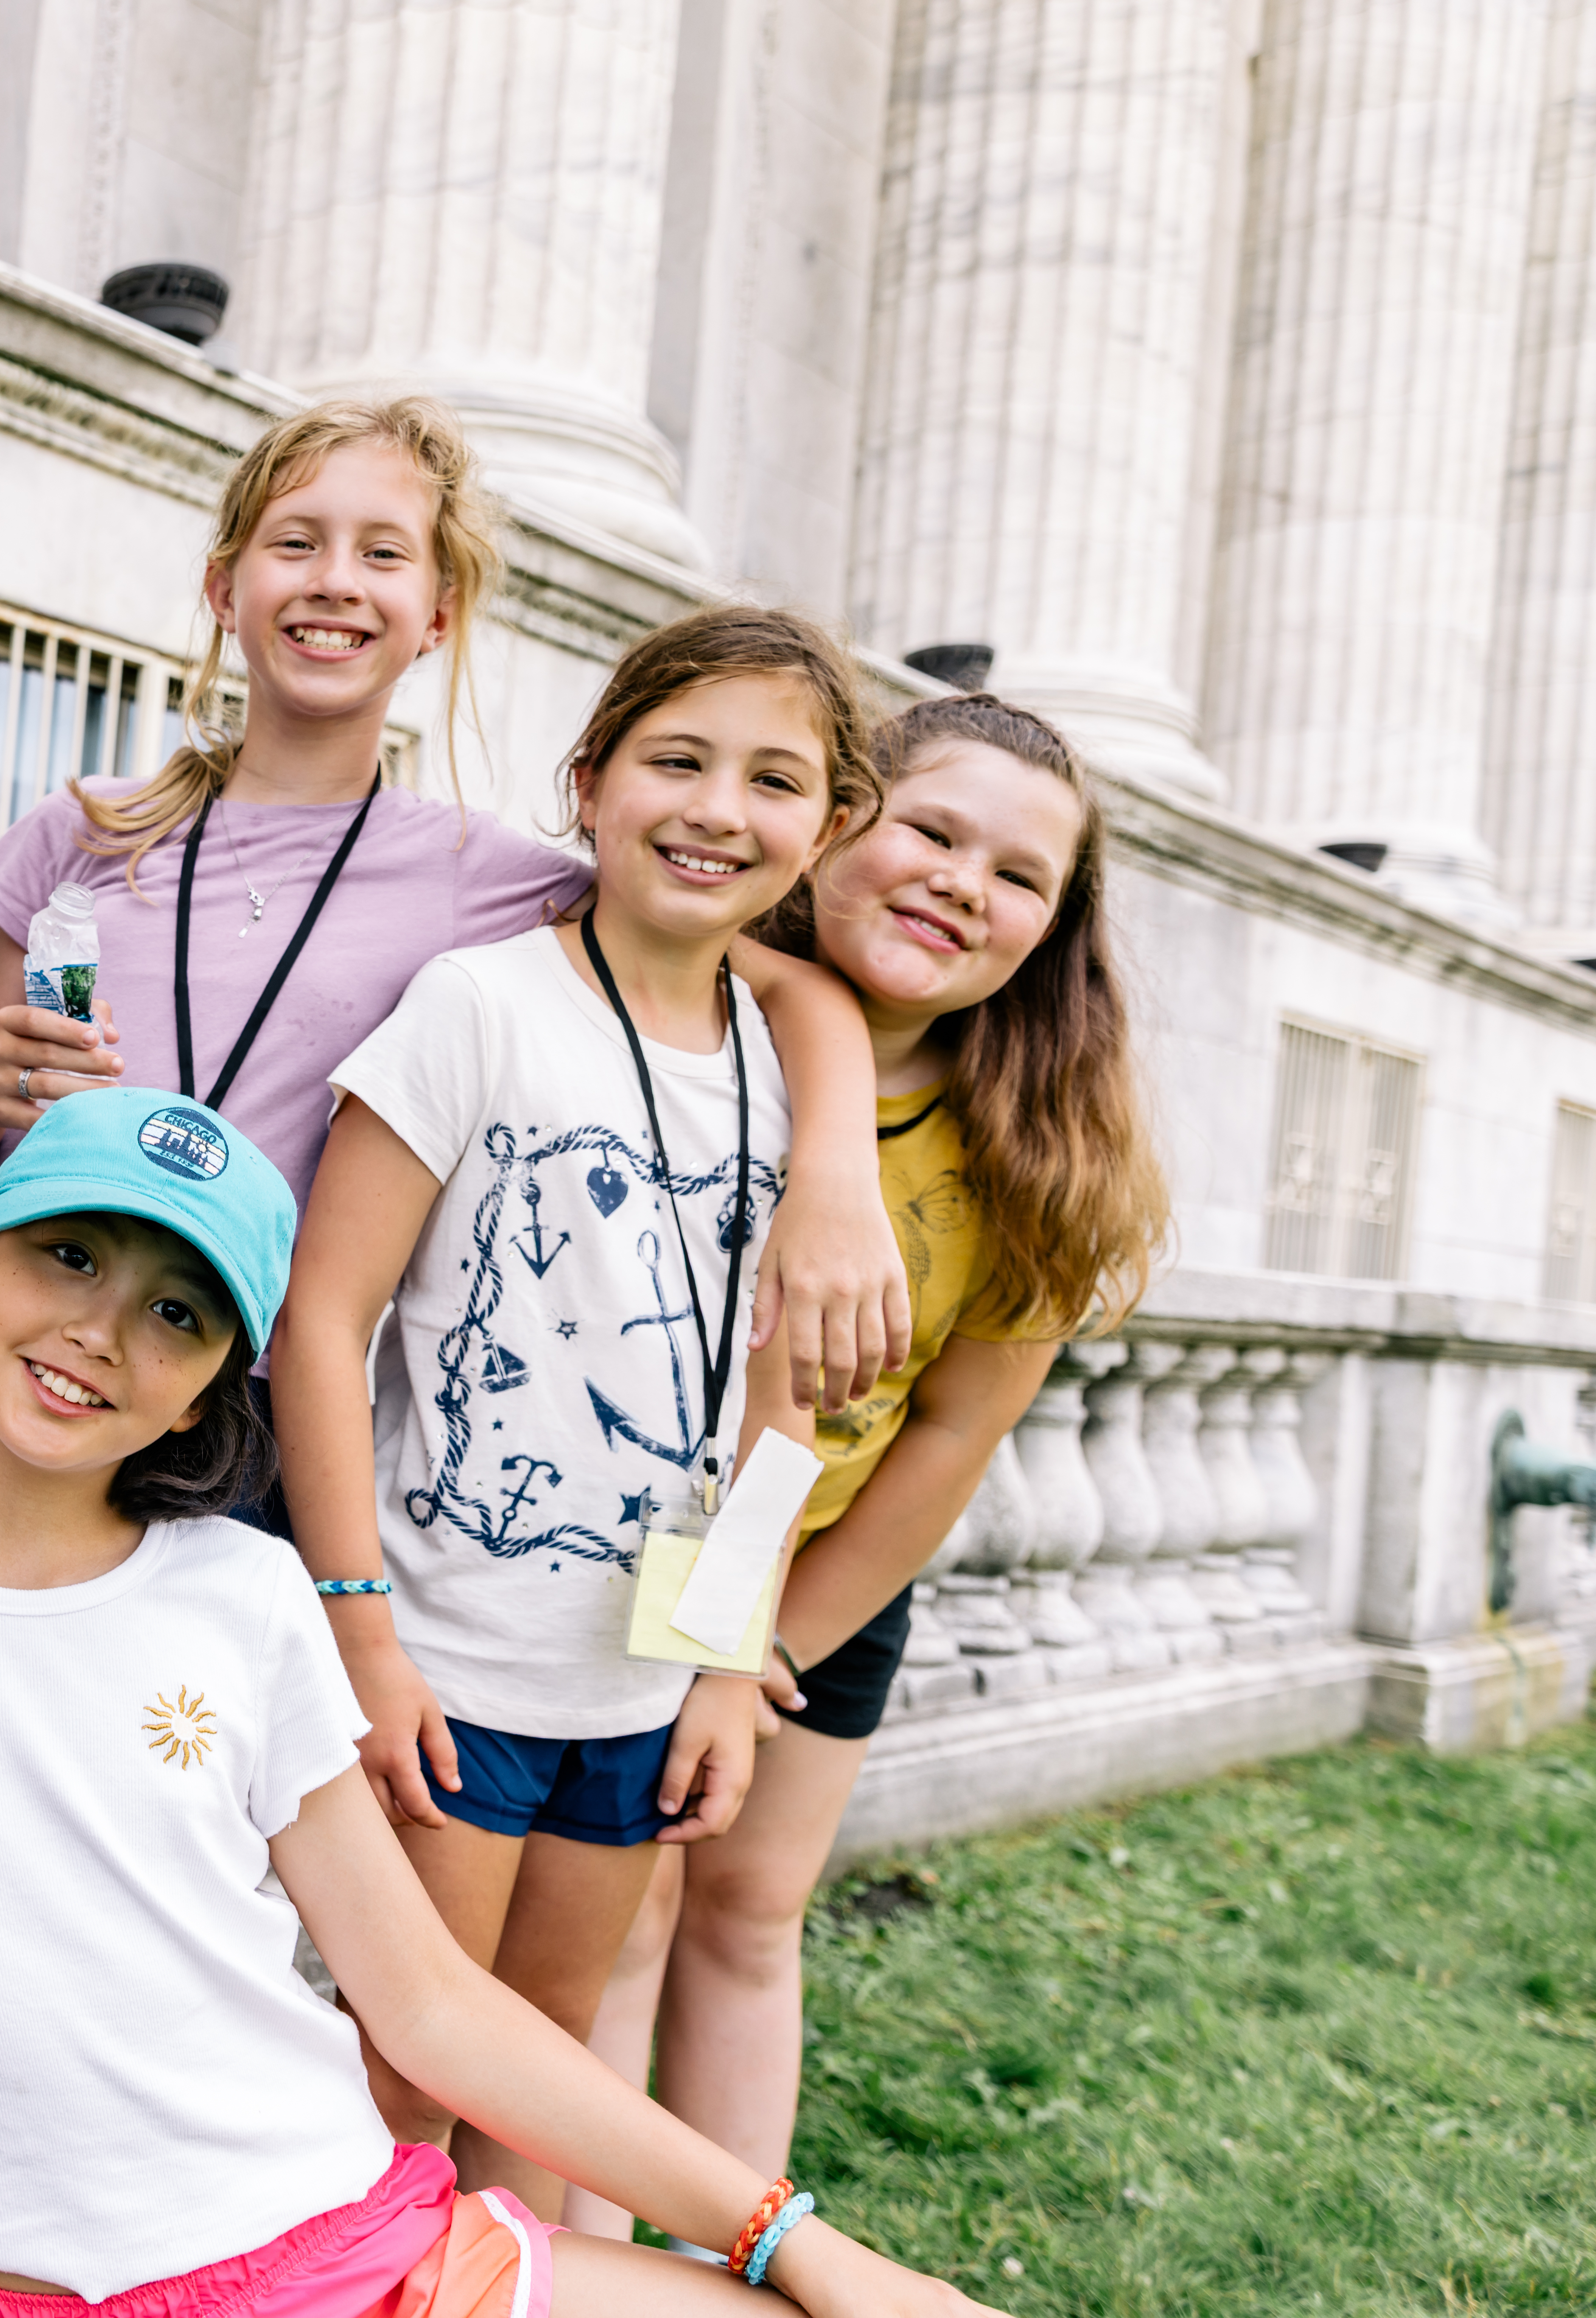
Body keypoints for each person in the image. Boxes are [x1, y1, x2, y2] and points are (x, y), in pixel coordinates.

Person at [0, 1086, 1001, 2318]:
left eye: (178, 1311)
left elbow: (430, 2006)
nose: (100, 1332)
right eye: (69, 1255)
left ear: (207, 1394)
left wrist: (792, 2241)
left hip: (357, 2251)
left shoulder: (245, 1593)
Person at [0, 401, 910, 1501]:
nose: (337, 580)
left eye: (382, 554)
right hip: (18, 1356)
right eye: (296, 542)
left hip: (231, 1398)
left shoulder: (483, 875)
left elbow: (779, 984)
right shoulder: (84, 831)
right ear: (224, 588)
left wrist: (837, 1173)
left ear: (437, 614)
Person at [269, 605, 882, 2221]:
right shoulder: (479, 1006)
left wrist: (723, 1667)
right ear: (593, 781)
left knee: (545, 2070)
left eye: (774, 781)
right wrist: (360, 1633)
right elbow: (320, 1324)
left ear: (825, 828)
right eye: (677, 761)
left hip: (634, 1689)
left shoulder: (783, 1069)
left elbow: (778, 1407)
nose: (718, 810)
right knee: (403, 2073)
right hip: (447, 1668)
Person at [561, 695, 1170, 2248]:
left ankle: (735, 2266)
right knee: (619, 1929)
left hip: (822, 1581)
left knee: (752, 1913)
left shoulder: (1045, 1150)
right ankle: (591, 2262)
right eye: (934, 832)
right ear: (833, 822)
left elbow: (953, 1435)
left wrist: (772, 1648)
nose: (970, 885)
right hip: (616, 1559)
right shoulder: (692, 1005)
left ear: (1054, 932)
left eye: (1023, 877)